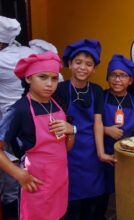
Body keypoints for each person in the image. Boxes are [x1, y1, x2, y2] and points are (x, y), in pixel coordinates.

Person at [0, 52, 75, 220]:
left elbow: (65, 148)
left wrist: (71, 131)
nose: (49, 84)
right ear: (28, 79)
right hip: (35, 184)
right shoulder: (19, 110)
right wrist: (18, 174)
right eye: (42, 77)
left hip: (59, 181)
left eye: (54, 78)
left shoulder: (57, 104)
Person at [55, 39, 112, 219]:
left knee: (94, 198)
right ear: (69, 64)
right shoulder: (60, 89)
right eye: (78, 62)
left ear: (94, 69)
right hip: (68, 150)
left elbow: (97, 122)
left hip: (91, 149)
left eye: (88, 64)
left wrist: (101, 153)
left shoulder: (96, 90)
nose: (82, 67)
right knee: (72, 199)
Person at [102, 54, 134, 218]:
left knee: (126, 194)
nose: (117, 79)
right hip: (104, 157)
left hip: (128, 159)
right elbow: (91, 124)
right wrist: (106, 130)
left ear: (130, 80)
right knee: (106, 197)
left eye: (123, 75)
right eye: (113, 75)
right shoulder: (101, 96)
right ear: (108, 78)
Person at [0, 15, 34, 219]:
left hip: (9, 125)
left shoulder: (2, 59)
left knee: (11, 176)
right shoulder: (28, 51)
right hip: (32, 120)